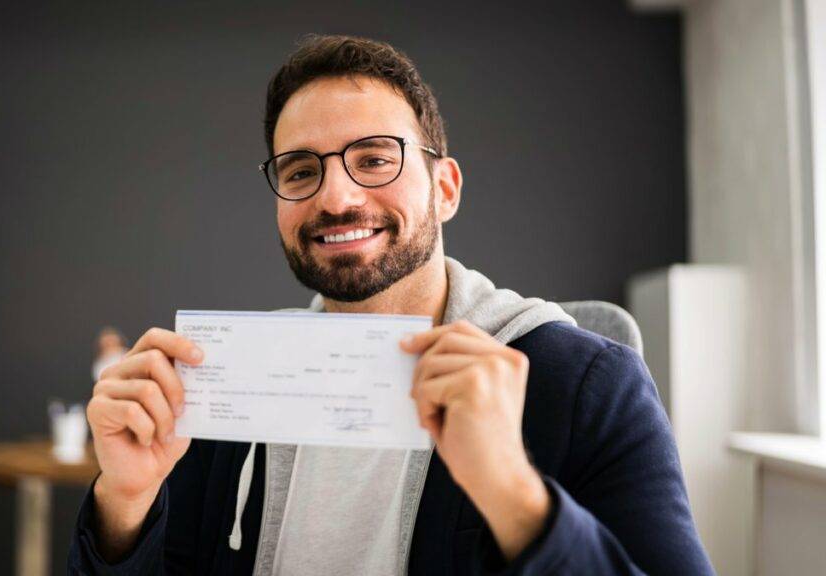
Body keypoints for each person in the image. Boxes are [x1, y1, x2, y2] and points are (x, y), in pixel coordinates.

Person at [67, 34, 713, 575]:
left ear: (446, 188)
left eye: (374, 158)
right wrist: (124, 501)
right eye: (300, 171)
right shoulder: (229, 397)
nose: (337, 198)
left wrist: (515, 496)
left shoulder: (591, 386)